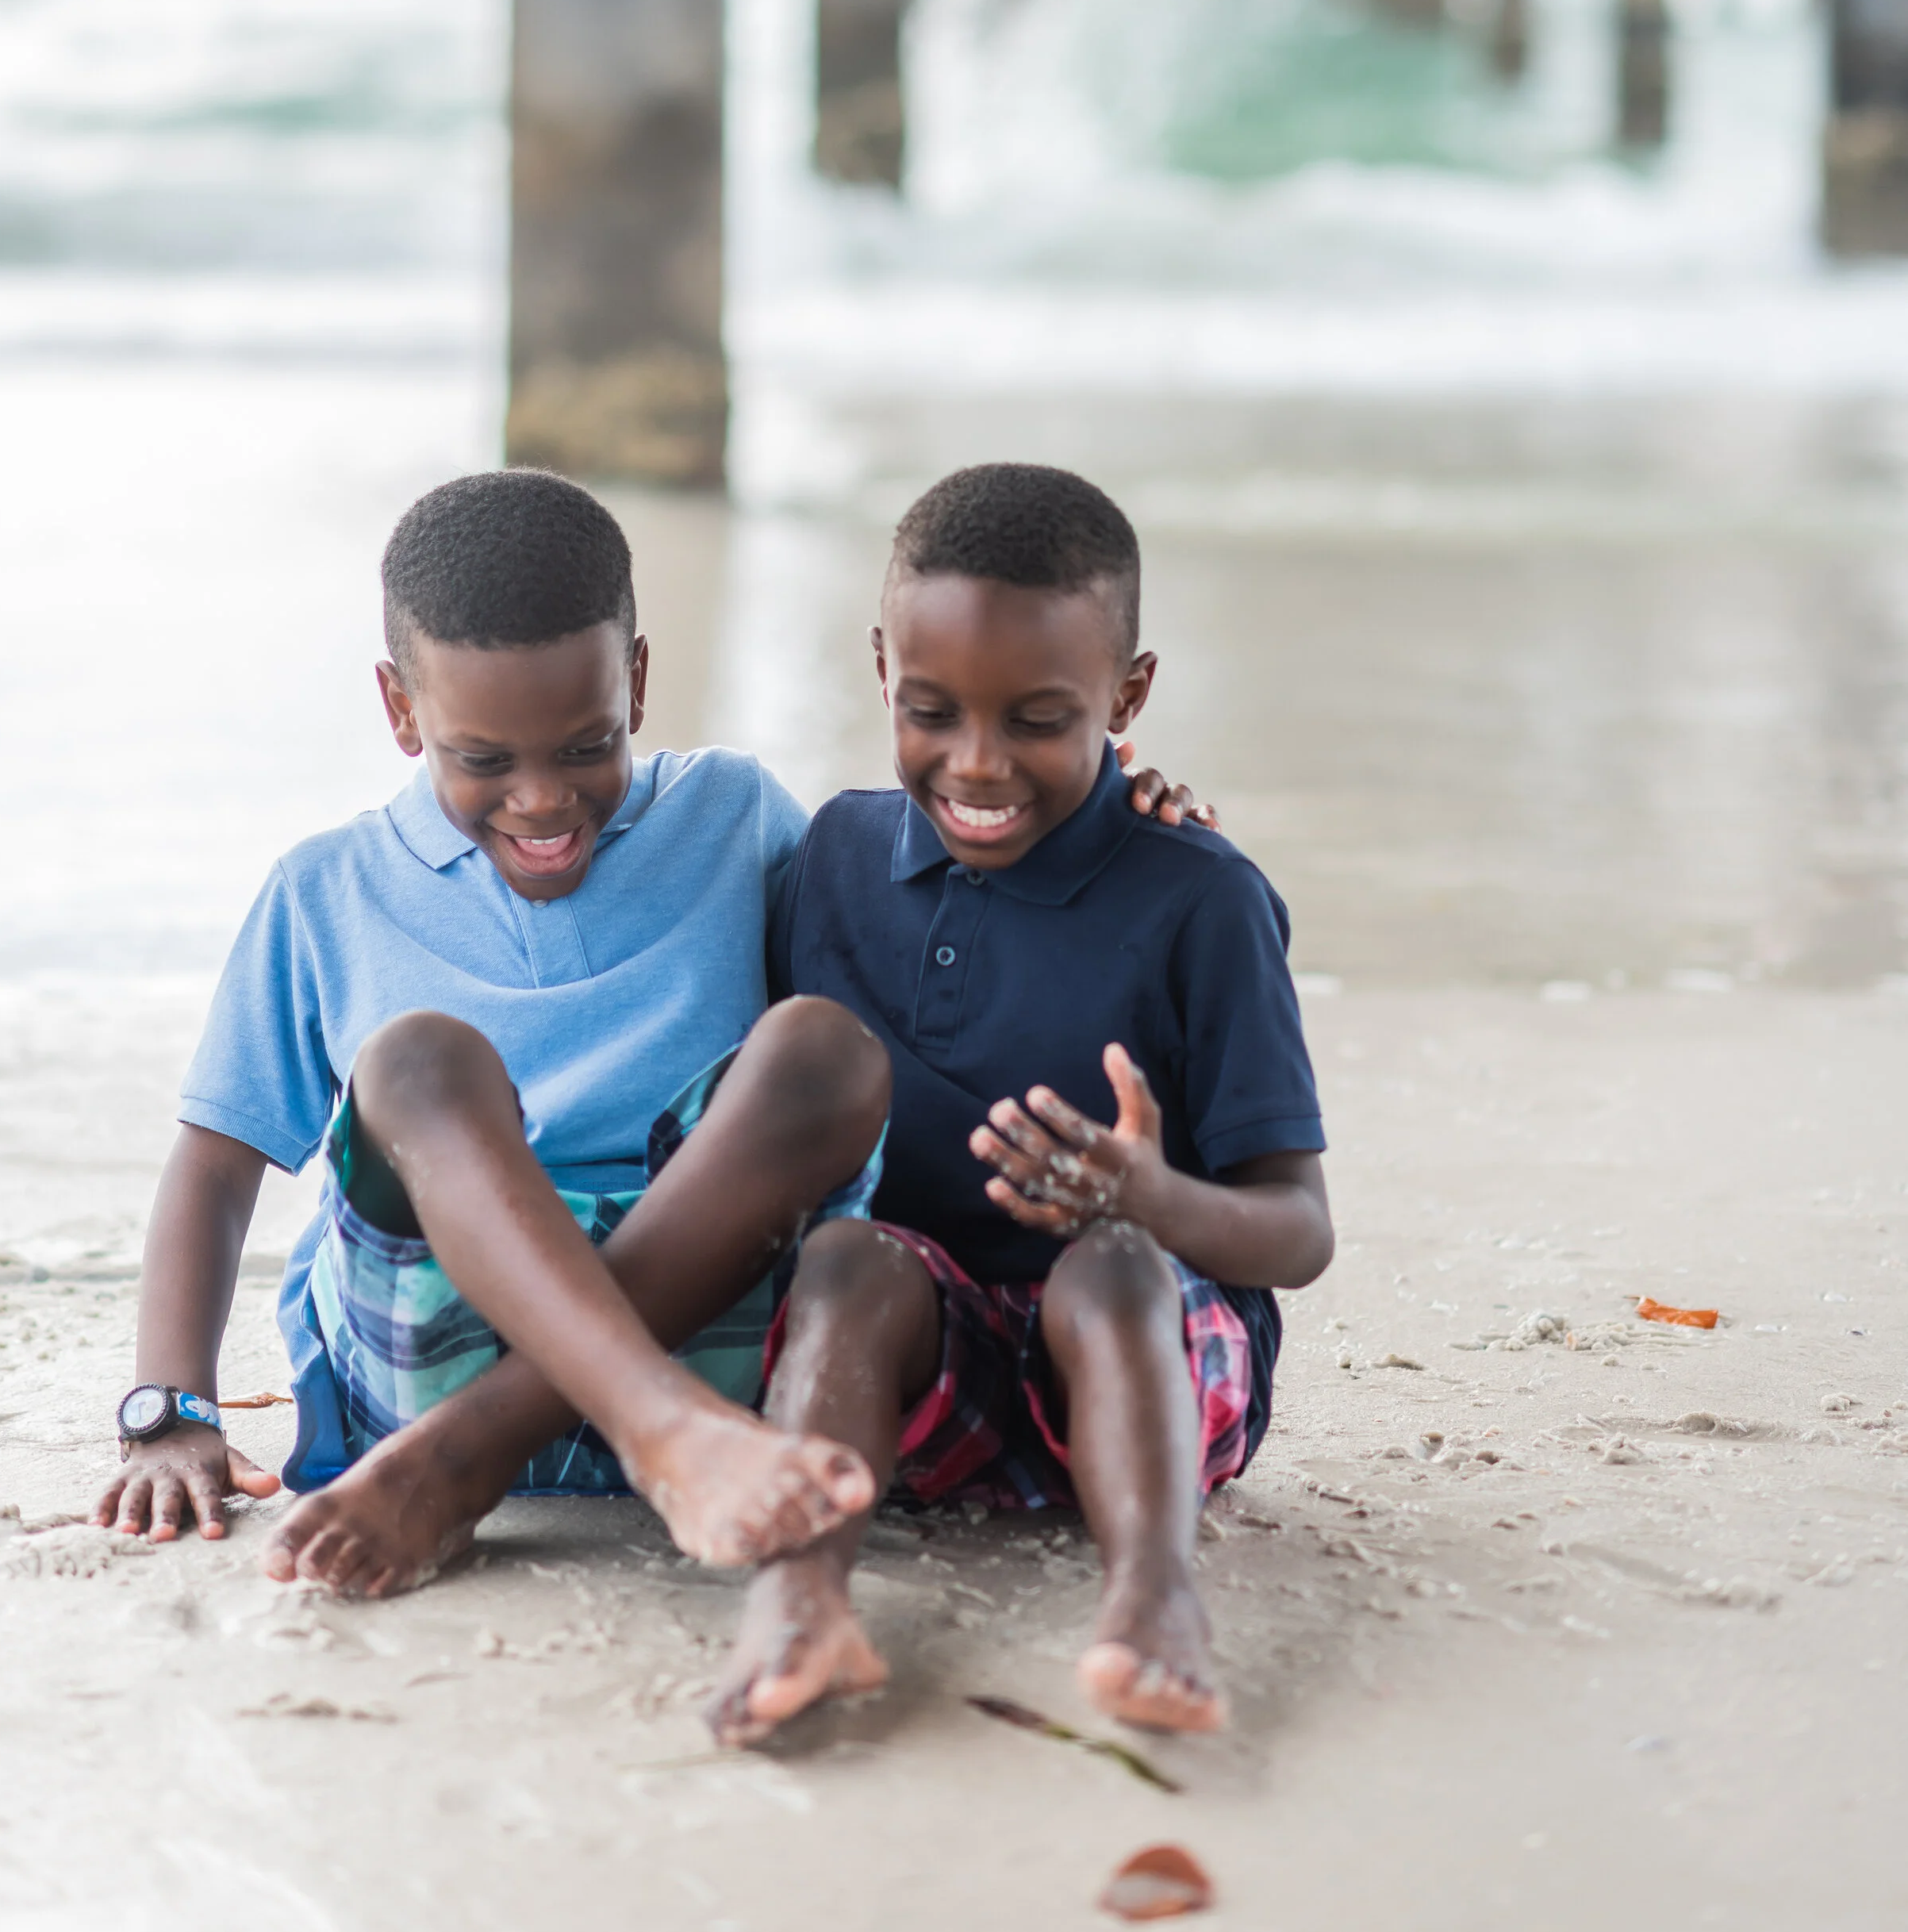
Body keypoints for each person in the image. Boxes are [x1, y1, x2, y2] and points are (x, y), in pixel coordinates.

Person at [93, 467, 1202, 1599]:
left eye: (586, 746)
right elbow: (213, 1171)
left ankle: (538, 1444)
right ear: (400, 709)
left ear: (635, 679)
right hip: (439, 1346)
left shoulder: (732, 817)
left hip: (717, 1332)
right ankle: (645, 1427)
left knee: (823, 1045)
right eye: (484, 761)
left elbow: (927, 922)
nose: (541, 800)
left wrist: (1105, 819)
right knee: (421, 1062)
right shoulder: (325, 893)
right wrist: (167, 1412)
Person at [710, 463, 1334, 1749]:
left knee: (1105, 1266)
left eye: (1041, 720)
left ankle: (1155, 1603)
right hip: (929, 1388)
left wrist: (1151, 1196)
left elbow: (1300, 1232)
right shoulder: (831, 859)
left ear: (1131, 694)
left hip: (1150, 1369)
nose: (978, 763)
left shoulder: (1199, 900)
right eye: (933, 709)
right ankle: (802, 1603)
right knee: (844, 1259)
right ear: (881, 666)